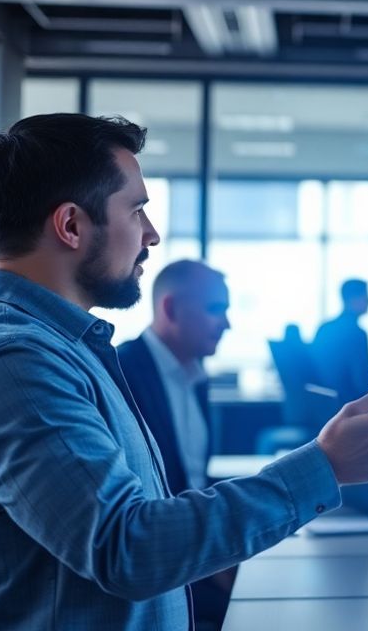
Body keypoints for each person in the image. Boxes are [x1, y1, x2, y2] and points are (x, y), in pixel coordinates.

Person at [0, 113, 368, 630]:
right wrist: (326, 466)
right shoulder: (21, 364)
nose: (151, 235)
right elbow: (127, 548)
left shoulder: (66, 350)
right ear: (71, 225)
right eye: (136, 212)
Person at [117, 259, 232, 627]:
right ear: (170, 309)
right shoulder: (121, 372)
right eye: (216, 309)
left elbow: (193, 480)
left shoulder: (196, 376)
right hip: (163, 570)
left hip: (200, 553)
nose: (227, 324)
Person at [312, 278, 368, 402]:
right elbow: (362, 380)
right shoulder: (357, 334)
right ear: (353, 299)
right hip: (349, 405)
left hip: (325, 403)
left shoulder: (324, 328)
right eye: (366, 296)